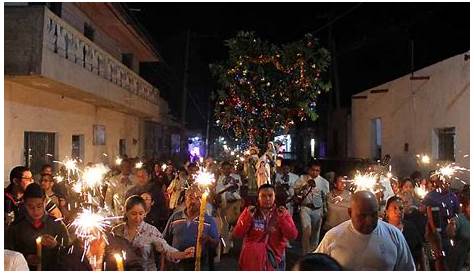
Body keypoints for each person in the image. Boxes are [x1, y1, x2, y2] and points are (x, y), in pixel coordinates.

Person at [315, 191, 415, 270]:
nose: (369, 221)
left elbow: (407, 268)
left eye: (373, 215)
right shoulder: (333, 237)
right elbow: (312, 266)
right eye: (362, 216)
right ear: (350, 212)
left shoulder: (394, 235)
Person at [111, 195, 194, 270]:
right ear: (126, 213)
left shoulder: (151, 231)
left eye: (141, 213)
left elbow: (167, 250)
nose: (137, 217)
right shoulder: (116, 231)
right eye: (133, 214)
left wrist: (183, 254)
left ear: (145, 213)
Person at [6, 183, 70, 270]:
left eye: (39, 206)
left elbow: (70, 254)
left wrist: (56, 246)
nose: (35, 211)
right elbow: (7, 255)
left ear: (44, 202)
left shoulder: (57, 224)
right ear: (24, 204)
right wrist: (25, 258)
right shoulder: (16, 227)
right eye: (31, 207)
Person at [233, 184, 297, 270]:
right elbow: (237, 233)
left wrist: (282, 219)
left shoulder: (282, 213)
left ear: (275, 197)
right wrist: (248, 217)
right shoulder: (250, 212)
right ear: (258, 197)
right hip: (253, 259)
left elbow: (292, 235)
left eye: (270, 196)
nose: (267, 199)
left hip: (275, 259)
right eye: (263, 196)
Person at [163, 184, 219, 270]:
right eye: (190, 196)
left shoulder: (208, 220)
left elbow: (216, 243)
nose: (193, 201)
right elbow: (165, 240)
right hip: (176, 265)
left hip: (199, 264)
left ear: (203, 202)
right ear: (185, 199)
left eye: (197, 198)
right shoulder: (175, 217)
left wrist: (208, 239)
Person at [293, 161, 330, 254]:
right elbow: (295, 191)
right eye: (313, 170)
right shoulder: (302, 178)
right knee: (306, 230)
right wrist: (305, 186)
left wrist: (325, 210)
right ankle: (305, 253)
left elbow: (325, 197)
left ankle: (313, 252)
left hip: (318, 209)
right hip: (305, 208)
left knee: (316, 232)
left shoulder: (323, 182)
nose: (315, 172)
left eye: (317, 170)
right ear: (309, 170)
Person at [384, 195, 425, 270]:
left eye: (401, 208)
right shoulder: (383, 230)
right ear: (387, 212)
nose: (398, 212)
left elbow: (420, 250)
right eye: (394, 208)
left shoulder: (410, 227)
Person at [215, 161, 243, 254]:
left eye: (228, 168)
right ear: (222, 169)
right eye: (225, 168)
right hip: (224, 204)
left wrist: (227, 188)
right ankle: (226, 244)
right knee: (225, 225)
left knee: (234, 222)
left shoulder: (236, 177)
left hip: (235, 203)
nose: (227, 170)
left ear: (231, 168)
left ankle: (232, 238)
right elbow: (218, 191)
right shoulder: (219, 178)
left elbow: (236, 187)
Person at [446, 188, 469, 270]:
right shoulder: (460, 219)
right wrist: (452, 226)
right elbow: (450, 233)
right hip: (462, 260)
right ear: (466, 207)